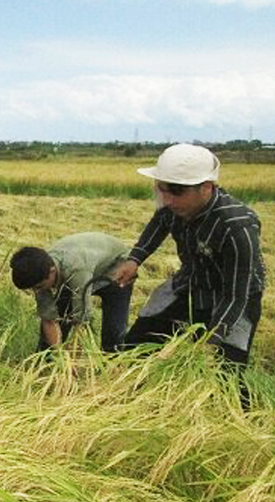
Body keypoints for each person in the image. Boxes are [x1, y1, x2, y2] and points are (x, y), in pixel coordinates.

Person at [111, 143, 266, 406]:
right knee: (136, 346)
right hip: (191, 282)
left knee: (226, 375)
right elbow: (159, 223)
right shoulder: (173, 206)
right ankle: (133, 401)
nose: (167, 200)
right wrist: (135, 259)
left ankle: (239, 422)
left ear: (206, 187)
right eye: (162, 189)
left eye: (177, 192)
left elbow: (236, 294)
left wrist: (213, 338)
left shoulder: (236, 227)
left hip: (233, 298)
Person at [10, 232, 133, 353]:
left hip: (118, 268)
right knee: (56, 329)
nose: (37, 291)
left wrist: (74, 359)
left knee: (114, 333)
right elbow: (49, 320)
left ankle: (113, 364)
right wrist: (60, 357)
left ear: (52, 271)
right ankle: (46, 362)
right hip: (84, 267)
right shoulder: (38, 272)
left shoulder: (75, 270)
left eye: (39, 287)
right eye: (33, 288)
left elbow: (82, 322)